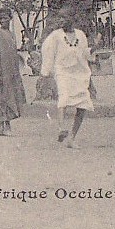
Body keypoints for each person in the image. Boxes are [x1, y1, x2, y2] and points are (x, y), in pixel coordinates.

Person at [41, 14, 96, 149]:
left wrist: (95, 47)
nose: (62, 21)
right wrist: (46, 72)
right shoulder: (56, 36)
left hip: (78, 73)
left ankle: (72, 137)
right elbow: (48, 51)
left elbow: (85, 53)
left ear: (73, 20)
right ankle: (61, 129)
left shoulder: (80, 35)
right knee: (64, 98)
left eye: (65, 18)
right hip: (63, 72)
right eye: (60, 19)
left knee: (83, 104)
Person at [0, 8, 27, 136]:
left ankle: (7, 124)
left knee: (10, 98)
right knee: (1, 99)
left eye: (5, 18)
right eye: (0, 19)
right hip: (0, 73)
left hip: (11, 73)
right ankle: (2, 125)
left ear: (10, 18)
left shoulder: (11, 35)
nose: (2, 21)